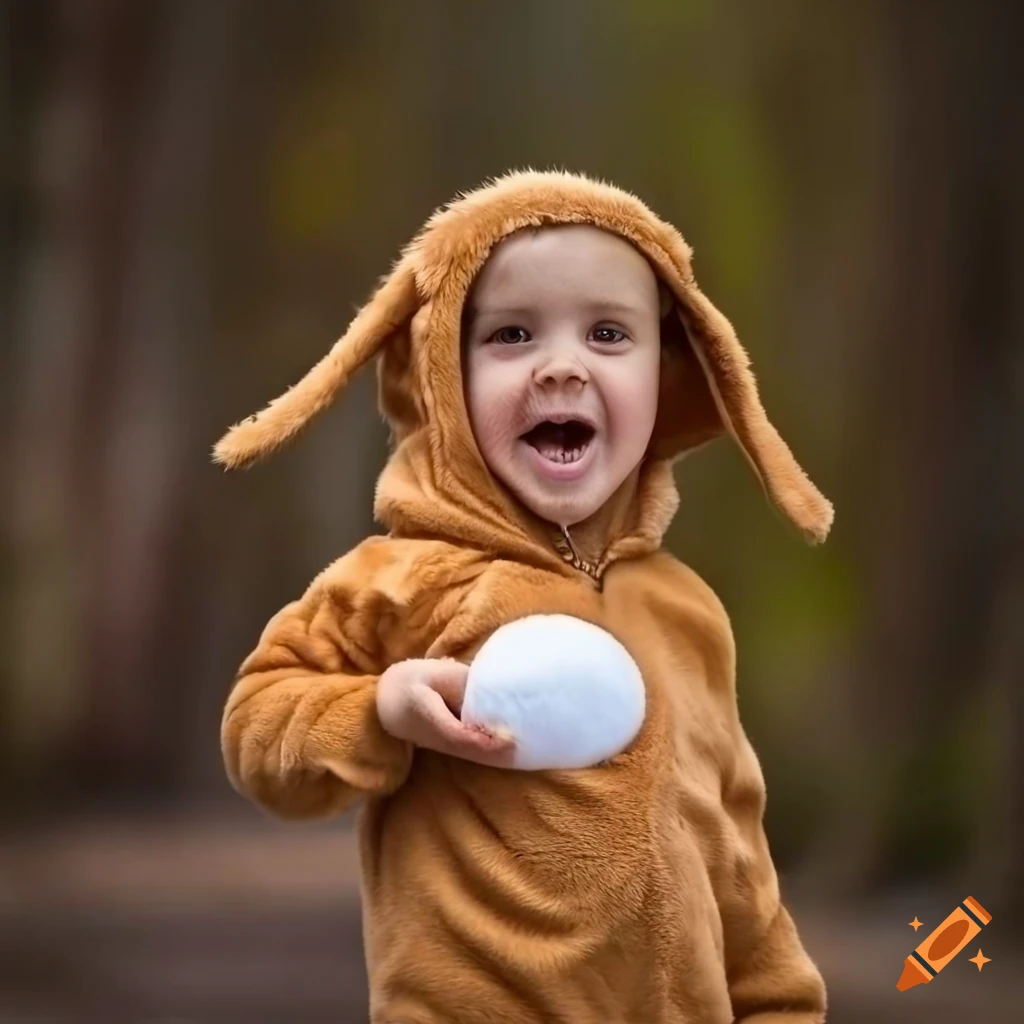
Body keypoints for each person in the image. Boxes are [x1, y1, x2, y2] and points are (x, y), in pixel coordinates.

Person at [215, 169, 833, 1023]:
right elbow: (259, 727)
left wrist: (779, 1006)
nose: (562, 368)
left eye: (609, 333)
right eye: (511, 335)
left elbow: (736, 855)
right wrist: (379, 710)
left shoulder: (687, 612)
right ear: (441, 374)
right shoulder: (404, 579)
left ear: (672, 374)